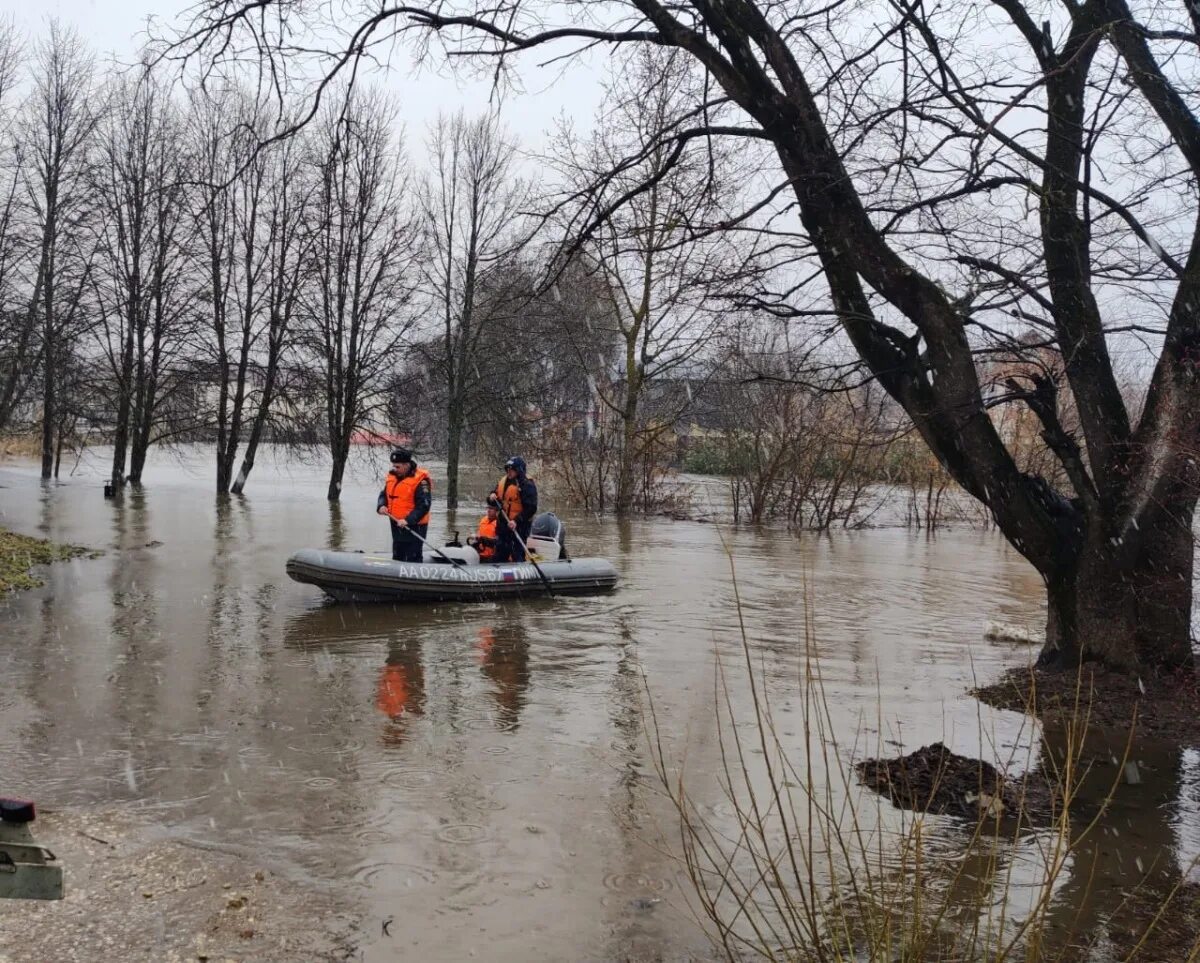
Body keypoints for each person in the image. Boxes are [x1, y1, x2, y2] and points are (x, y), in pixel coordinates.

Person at [376, 448, 431, 563]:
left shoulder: (421, 481)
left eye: (398, 467)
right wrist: (381, 505)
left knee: (412, 557)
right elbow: (384, 495)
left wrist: (408, 520)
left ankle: (415, 576)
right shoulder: (392, 478)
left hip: (414, 526)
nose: (395, 469)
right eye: (394, 466)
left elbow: (424, 505)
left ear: (407, 465)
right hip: (396, 524)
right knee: (398, 555)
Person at [487, 456, 537, 563]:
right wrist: (491, 496)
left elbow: (531, 508)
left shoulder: (527, 485)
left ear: (519, 470)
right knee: (500, 552)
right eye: (508, 469)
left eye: (512, 469)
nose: (509, 472)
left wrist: (516, 521)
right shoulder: (504, 481)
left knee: (517, 553)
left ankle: (520, 572)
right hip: (503, 525)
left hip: (519, 526)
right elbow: (495, 498)